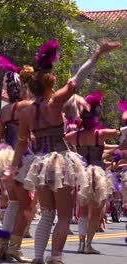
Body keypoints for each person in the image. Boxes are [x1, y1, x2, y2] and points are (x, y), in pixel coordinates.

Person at [8, 40, 121, 264]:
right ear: (50, 85)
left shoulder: (26, 112)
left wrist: (14, 167)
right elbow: (78, 77)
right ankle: (56, 258)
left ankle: (38, 257)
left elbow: (22, 143)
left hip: (39, 163)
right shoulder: (55, 102)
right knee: (64, 216)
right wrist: (98, 52)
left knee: (47, 213)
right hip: (60, 162)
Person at [0, 55, 34, 262]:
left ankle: (2, 246)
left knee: (13, 203)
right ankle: (14, 247)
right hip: (22, 157)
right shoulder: (28, 106)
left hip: (4, 158)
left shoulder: (4, 110)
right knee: (26, 204)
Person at [65, 91, 123, 254]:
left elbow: (61, 138)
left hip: (82, 173)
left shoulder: (74, 136)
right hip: (98, 174)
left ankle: (81, 244)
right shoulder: (101, 134)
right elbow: (120, 131)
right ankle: (88, 245)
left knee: (82, 210)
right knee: (96, 211)